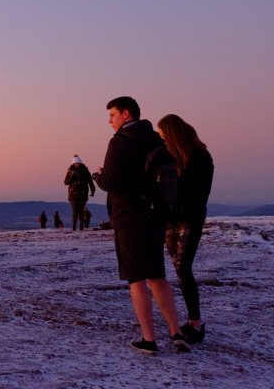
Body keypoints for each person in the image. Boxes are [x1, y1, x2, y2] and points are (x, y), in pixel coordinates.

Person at [94, 96, 190, 354]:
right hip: (155, 217)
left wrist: (99, 176)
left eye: (112, 115)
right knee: (158, 276)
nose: (109, 121)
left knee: (136, 279)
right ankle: (176, 332)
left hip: (130, 218)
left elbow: (112, 181)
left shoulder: (121, 141)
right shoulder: (156, 139)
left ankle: (149, 339)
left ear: (126, 114)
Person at [158, 114, 215, 345]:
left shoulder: (199, 157)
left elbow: (196, 192)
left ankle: (195, 322)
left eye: (163, 136)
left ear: (173, 134)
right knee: (180, 268)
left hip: (189, 218)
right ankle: (193, 320)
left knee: (184, 268)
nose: (161, 140)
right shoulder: (172, 157)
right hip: (172, 219)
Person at [64, 154, 96, 230]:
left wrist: (93, 190)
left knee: (81, 210)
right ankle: (74, 226)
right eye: (75, 163)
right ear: (73, 164)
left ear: (81, 163)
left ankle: (81, 226)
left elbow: (90, 181)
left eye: (78, 163)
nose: (77, 164)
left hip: (83, 193)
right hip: (73, 194)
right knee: (75, 210)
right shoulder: (70, 171)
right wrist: (71, 178)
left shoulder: (85, 170)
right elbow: (66, 182)